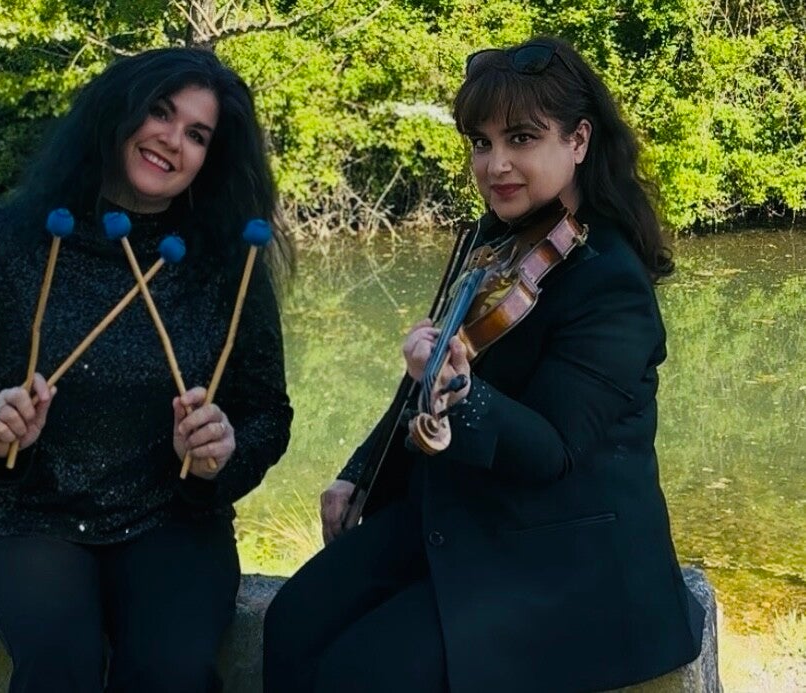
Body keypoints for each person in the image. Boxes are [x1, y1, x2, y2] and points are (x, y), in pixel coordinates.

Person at [263, 36, 704, 693]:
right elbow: (428, 370)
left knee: (366, 671)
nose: (495, 164)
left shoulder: (610, 281)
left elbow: (553, 450)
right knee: (292, 621)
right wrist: (360, 471)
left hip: (557, 556)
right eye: (480, 142)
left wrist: (459, 391)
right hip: (461, 510)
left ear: (579, 139)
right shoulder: (492, 236)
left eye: (521, 138)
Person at [0, 47, 293, 693]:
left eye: (197, 134)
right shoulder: (12, 242)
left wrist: (220, 454)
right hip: (31, 517)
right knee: (60, 669)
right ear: (119, 111)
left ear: (210, 158)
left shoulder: (229, 263)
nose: (172, 140)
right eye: (160, 112)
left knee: (172, 673)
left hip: (173, 519)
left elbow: (266, 413)